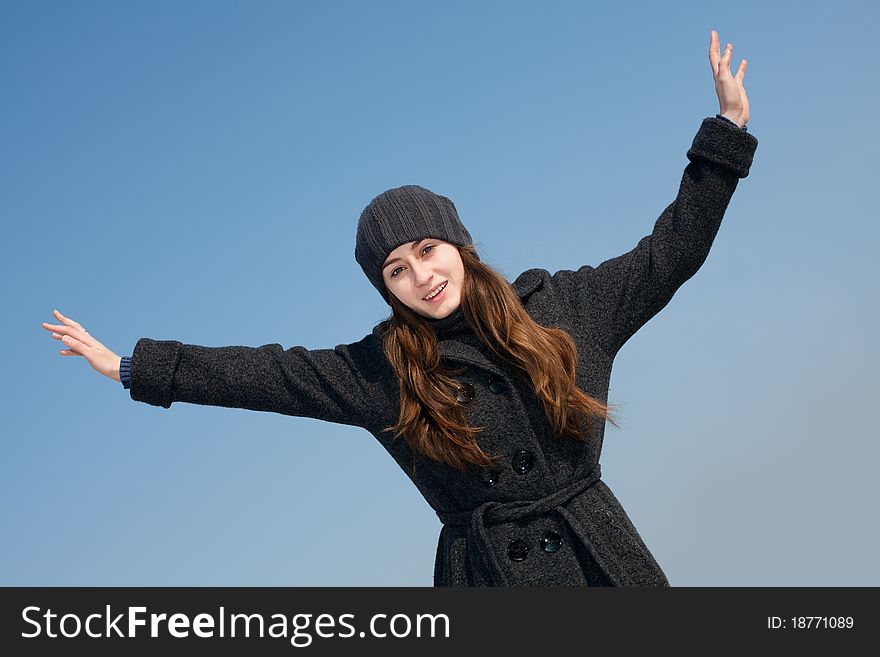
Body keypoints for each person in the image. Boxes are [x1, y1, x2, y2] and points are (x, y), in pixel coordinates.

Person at [42, 30, 757, 586]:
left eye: (426, 249)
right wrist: (134, 366)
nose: (420, 274)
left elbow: (672, 252)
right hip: (489, 578)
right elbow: (263, 376)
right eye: (396, 268)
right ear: (386, 287)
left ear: (460, 245)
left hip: (602, 558)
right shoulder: (383, 371)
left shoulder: (565, 308)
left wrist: (726, 131)